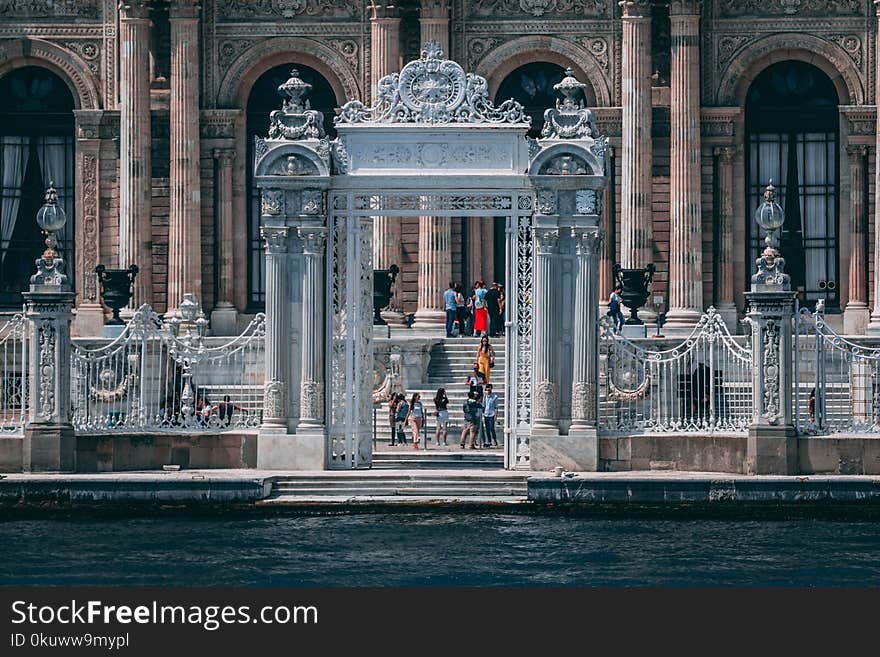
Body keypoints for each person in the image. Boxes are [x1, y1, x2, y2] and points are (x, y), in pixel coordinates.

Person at [482, 384, 499, 448]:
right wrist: (482, 413)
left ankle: (494, 439)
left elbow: (496, 407)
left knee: (492, 428)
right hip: (486, 414)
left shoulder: (495, 397)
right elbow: (483, 405)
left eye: (489, 389)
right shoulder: (485, 396)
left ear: (491, 389)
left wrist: (495, 415)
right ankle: (489, 441)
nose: (488, 390)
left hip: (492, 414)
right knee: (487, 428)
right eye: (487, 389)